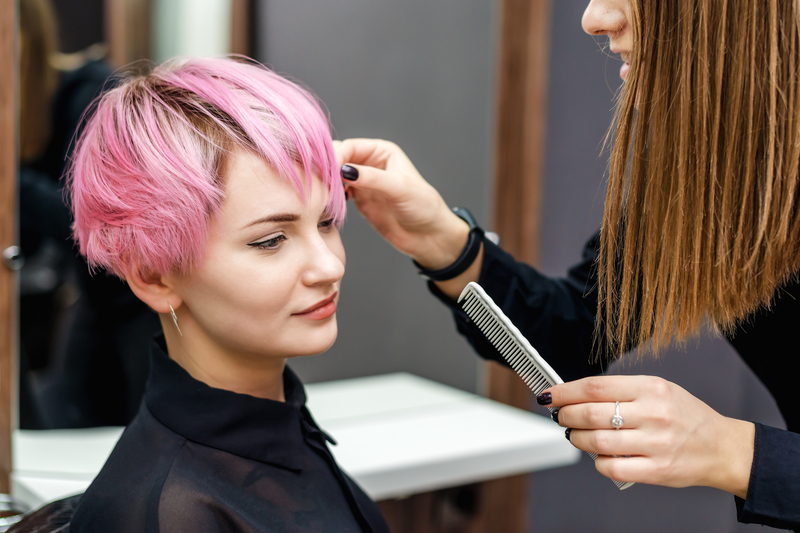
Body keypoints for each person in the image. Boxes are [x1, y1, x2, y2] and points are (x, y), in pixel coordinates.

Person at [336, 0, 800, 529]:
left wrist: (737, 453)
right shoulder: (723, 181)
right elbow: (571, 334)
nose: (593, 17)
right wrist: (441, 240)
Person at [27, 57, 388, 533]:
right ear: (155, 276)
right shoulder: (171, 513)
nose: (329, 266)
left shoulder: (281, 431)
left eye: (326, 223)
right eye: (270, 240)